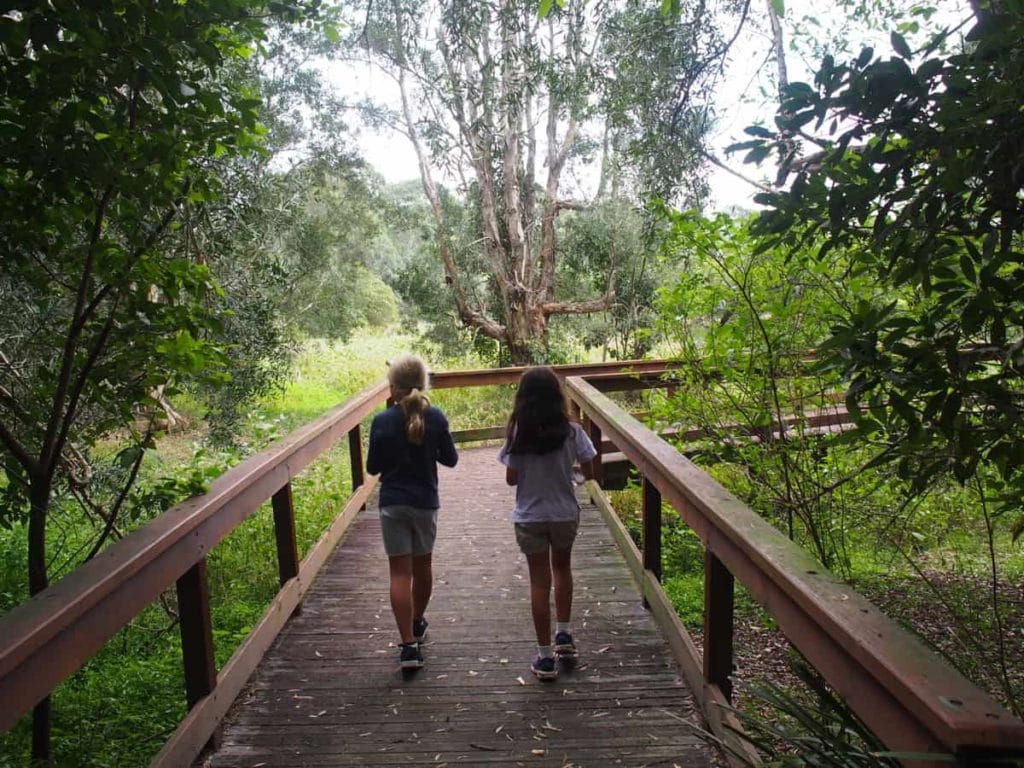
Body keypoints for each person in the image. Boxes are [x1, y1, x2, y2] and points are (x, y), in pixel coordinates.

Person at [498, 367, 597, 681]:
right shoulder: (572, 431)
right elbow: (590, 471)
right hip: (564, 513)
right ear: (558, 396)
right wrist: (572, 478)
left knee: (539, 582)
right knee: (563, 569)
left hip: (530, 516)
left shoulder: (518, 431)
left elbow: (511, 478)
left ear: (523, 398)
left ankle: (544, 657)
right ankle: (564, 636)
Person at [366, 354, 458, 670]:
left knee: (399, 573)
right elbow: (451, 459)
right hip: (424, 502)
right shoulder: (435, 417)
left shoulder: (382, 421)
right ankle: (417, 621)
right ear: (422, 384)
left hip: (392, 502)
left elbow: (372, 467)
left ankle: (408, 646)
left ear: (393, 388)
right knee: (422, 567)